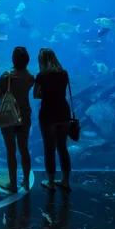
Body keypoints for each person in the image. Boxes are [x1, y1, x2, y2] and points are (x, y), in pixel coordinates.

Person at [0, 46, 35, 192]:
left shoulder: (7, 75)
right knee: (24, 148)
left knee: (10, 150)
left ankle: (13, 183)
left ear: (13, 59)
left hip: (8, 116)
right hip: (24, 115)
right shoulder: (31, 77)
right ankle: (25, 181)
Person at [34, 48, 72, 192]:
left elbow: (36, 95)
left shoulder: (41, 75)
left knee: (49, 148)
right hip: (64, 112)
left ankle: (50, 182)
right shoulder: (64, 73)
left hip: (48, 113)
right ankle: (65, 181)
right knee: (62, 148)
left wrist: (46, 93)